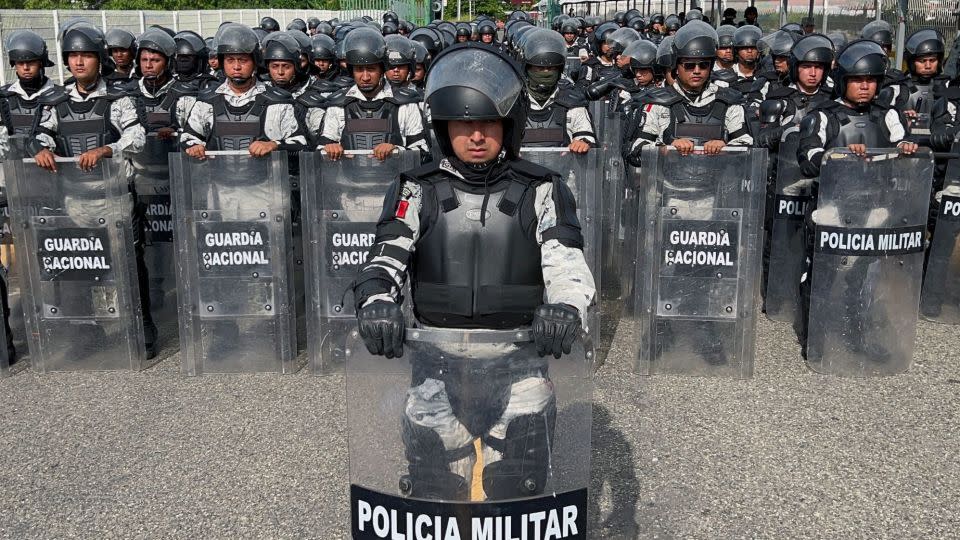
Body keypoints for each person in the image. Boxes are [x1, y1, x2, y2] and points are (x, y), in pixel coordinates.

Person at [351, 44, 594, 500]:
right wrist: (377, 301)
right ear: (443, 128)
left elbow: (565, 260)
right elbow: (385, 256)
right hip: (435, 365)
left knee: (516, 490)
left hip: (518, 362)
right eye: (464, 124)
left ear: (510, 124)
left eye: (488, 123)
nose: (476, 135)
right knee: (437, 489)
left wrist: (566, 306)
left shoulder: (542, 189)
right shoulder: (415, 189)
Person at [27, 25, 156, 358]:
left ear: (99, 59)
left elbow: (137, 137)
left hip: (113, 200)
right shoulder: (55, 100)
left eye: (86, 55)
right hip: (74, 202)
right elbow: (39, 134)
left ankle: (140, 333)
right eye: (73, 56)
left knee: (126, 267)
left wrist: (107, 150)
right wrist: (41, 148)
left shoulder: (119, 98)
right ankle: (85, 333)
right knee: (77, 272)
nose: (79, 62)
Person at [794, 39, 917, 356]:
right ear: (843, 81)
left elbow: (904, 144)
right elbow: (808, 156)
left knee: (864, 277)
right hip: (831, 208)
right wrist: (839, 155)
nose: (865, 86)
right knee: (821, 273)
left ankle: (856, 334)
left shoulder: (886, 116)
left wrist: (907, 150)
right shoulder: (823, 116)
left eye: (871, 80)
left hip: (874, 208)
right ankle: (816, 337)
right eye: (858, 80)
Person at [624, 21, 752, 166]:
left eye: (703, 65)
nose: (697, 71)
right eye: (689, 65)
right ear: (676, 68)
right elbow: (635, 148)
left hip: (716, 184)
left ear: (710, 67)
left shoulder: (728, 101)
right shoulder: (658, 103)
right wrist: (666, 149)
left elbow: (748, 147)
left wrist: (725, 147)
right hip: (668, 184)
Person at [180, 24, 307, 157]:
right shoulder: (207, 101)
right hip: (217, 176)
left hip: (266, 177)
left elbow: (300, 144)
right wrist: (194, 147)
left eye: (243, 60)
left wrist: (273, 145)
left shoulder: (278, 102)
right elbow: (187, 137)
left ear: (255, 62)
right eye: (230, 60)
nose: (236, 67)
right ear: (222, 63)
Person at [318, 28, 428, 161]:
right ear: (351, 70)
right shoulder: (338, 105)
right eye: (359, 70)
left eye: (371, 69)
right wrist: (329, 149)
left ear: (382, 69)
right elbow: (319, 151)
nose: (365, 77)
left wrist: (396, 150)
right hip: (349, 180)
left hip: (396, 179)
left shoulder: (405, 104)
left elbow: (423, 151)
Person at [520, 30, 594, 152]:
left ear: (559, 70)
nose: (546, 73)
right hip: (520, 170)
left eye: (551, 68)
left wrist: (583, 143)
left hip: (562, 169)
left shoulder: (573, 105)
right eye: (539, 68)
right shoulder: (514, 104)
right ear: (527, 69)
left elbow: (587, 137)